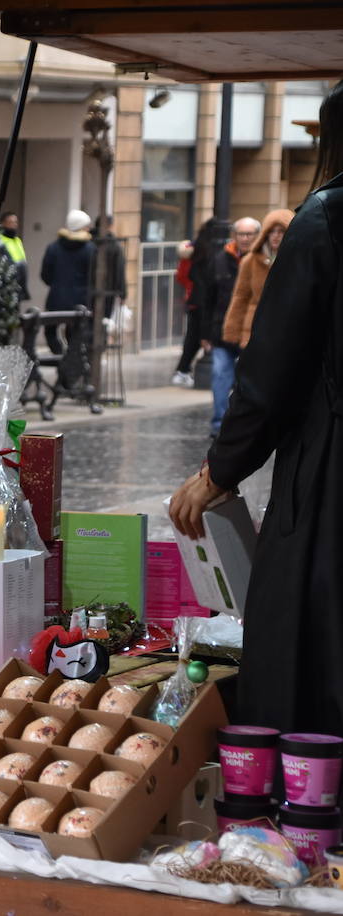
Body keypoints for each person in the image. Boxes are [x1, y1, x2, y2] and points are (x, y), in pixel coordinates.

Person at [169, 78, 343, 736]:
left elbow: (272, 372)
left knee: (308, 646)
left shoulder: (323, 220)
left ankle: (304, 789)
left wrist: (219, 471)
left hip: (328, 478)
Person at [201, 216, 261, 435]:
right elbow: (208, 298)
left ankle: (247, 425)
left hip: (252, 333)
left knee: (250, 380)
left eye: (249, 234)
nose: (245, 239)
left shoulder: (262, 261)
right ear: (234, 236)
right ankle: (219, 423)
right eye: (241, 234)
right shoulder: (219, 260)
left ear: (257, 236)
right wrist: (205, 333)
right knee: (220, 374)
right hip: (222, 331)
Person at [221, 209, 294, 349]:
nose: (276, 236)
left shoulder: (298, 261)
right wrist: (233, 330)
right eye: (271, 231)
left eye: (281, 231)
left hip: (287, 330)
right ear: (265, 234)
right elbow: (241, 296)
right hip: (255, 329)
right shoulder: (251, 260)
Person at [39, 209, 95, 355]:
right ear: (81, 227)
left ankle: (58, 355)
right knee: (76, 333)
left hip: (56, 298)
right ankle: (71, 359)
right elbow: (94, 277)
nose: (89, 229)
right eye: (87, 226)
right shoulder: (90, 250)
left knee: (50, 331)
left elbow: (45, 275)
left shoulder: (53, 247)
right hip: (81, 301)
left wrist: (57, 284)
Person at [171, 219, 217, 387]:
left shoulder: (194, 248)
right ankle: (182, 370)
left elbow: (182, 276)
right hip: (204, 300)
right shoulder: (213, 251)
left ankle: (182, 370)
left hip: (194, 300)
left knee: (193, 337)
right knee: (197, 337)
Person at [0, 211, 30, 302]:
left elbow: (23, 261)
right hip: (6, 285)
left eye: (15, 222)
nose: (14, 225)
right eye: (11, 222)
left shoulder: (17, 240)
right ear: (3, 224)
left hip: (19, 284)